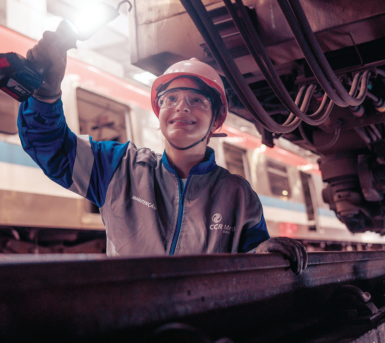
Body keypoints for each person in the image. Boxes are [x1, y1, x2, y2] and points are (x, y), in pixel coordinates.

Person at [17, 31, 308, 274]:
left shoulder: (239, 196)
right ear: (160, 114)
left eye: (197, 100)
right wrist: (45, 95)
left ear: (216, 120)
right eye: (170, 99)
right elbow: (51, 146)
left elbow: (252, 268)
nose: (182, 107)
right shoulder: (119, 168)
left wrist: (266, 253)